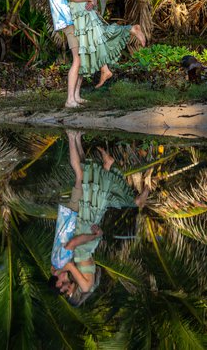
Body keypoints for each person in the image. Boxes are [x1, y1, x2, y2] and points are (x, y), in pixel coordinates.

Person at [53, 130, 148, 306]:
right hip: (85, 238)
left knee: (94, 191)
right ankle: (133, 199)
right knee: (90, 188)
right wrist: (59, 270)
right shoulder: (86, 287)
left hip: (86, 240)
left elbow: (71, 261)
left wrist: (59, 270)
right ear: (74, 295)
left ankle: (98, 157)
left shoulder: (83, 282)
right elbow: (70, 264)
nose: (66, 289)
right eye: (67, 293)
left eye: (63, 290)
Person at [42, 0, 101, 108]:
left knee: (80, 58)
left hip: (73, 18)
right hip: (68, 21)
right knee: (77, 59)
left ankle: (76, 96)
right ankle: (70, 100)